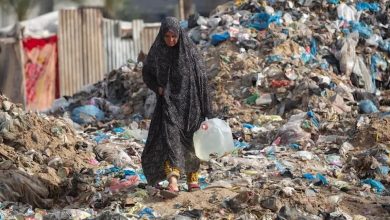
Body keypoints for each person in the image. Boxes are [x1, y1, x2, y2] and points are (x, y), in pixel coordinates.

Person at [141, 17, 212, 195]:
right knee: (170, 141)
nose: (171, 40)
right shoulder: (157, 51)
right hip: (168, 105)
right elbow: (147, 72)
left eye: (174, 36)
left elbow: (202, 80)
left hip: (191, 107)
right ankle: (173, 183)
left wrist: (207, 111)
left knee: (191, 144)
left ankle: (192, 179)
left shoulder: (190, 53)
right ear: (162, 35)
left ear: (180, 35)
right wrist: (157, 88)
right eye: (167, 36)